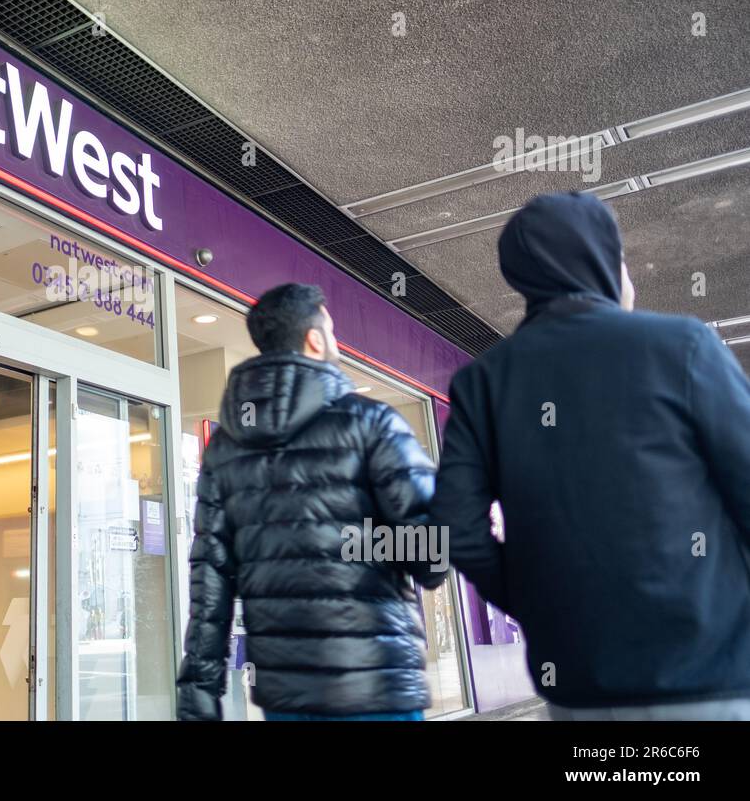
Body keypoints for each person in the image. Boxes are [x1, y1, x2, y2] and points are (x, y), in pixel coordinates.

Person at [432, 191, 750, 720]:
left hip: (577, 689)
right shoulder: (684, 346)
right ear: (599, 262)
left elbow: (453, 525)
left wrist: (534, 600)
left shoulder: (483, 382)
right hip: (708, 675)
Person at [176, 282, 446, 721]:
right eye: (333, 331)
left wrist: (198, 698)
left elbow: (212, 582)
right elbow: (431, 561)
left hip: (286, 701)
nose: (336, 341)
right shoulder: (372, 422)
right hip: (375, 689)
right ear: (315, 339)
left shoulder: (225, 448)